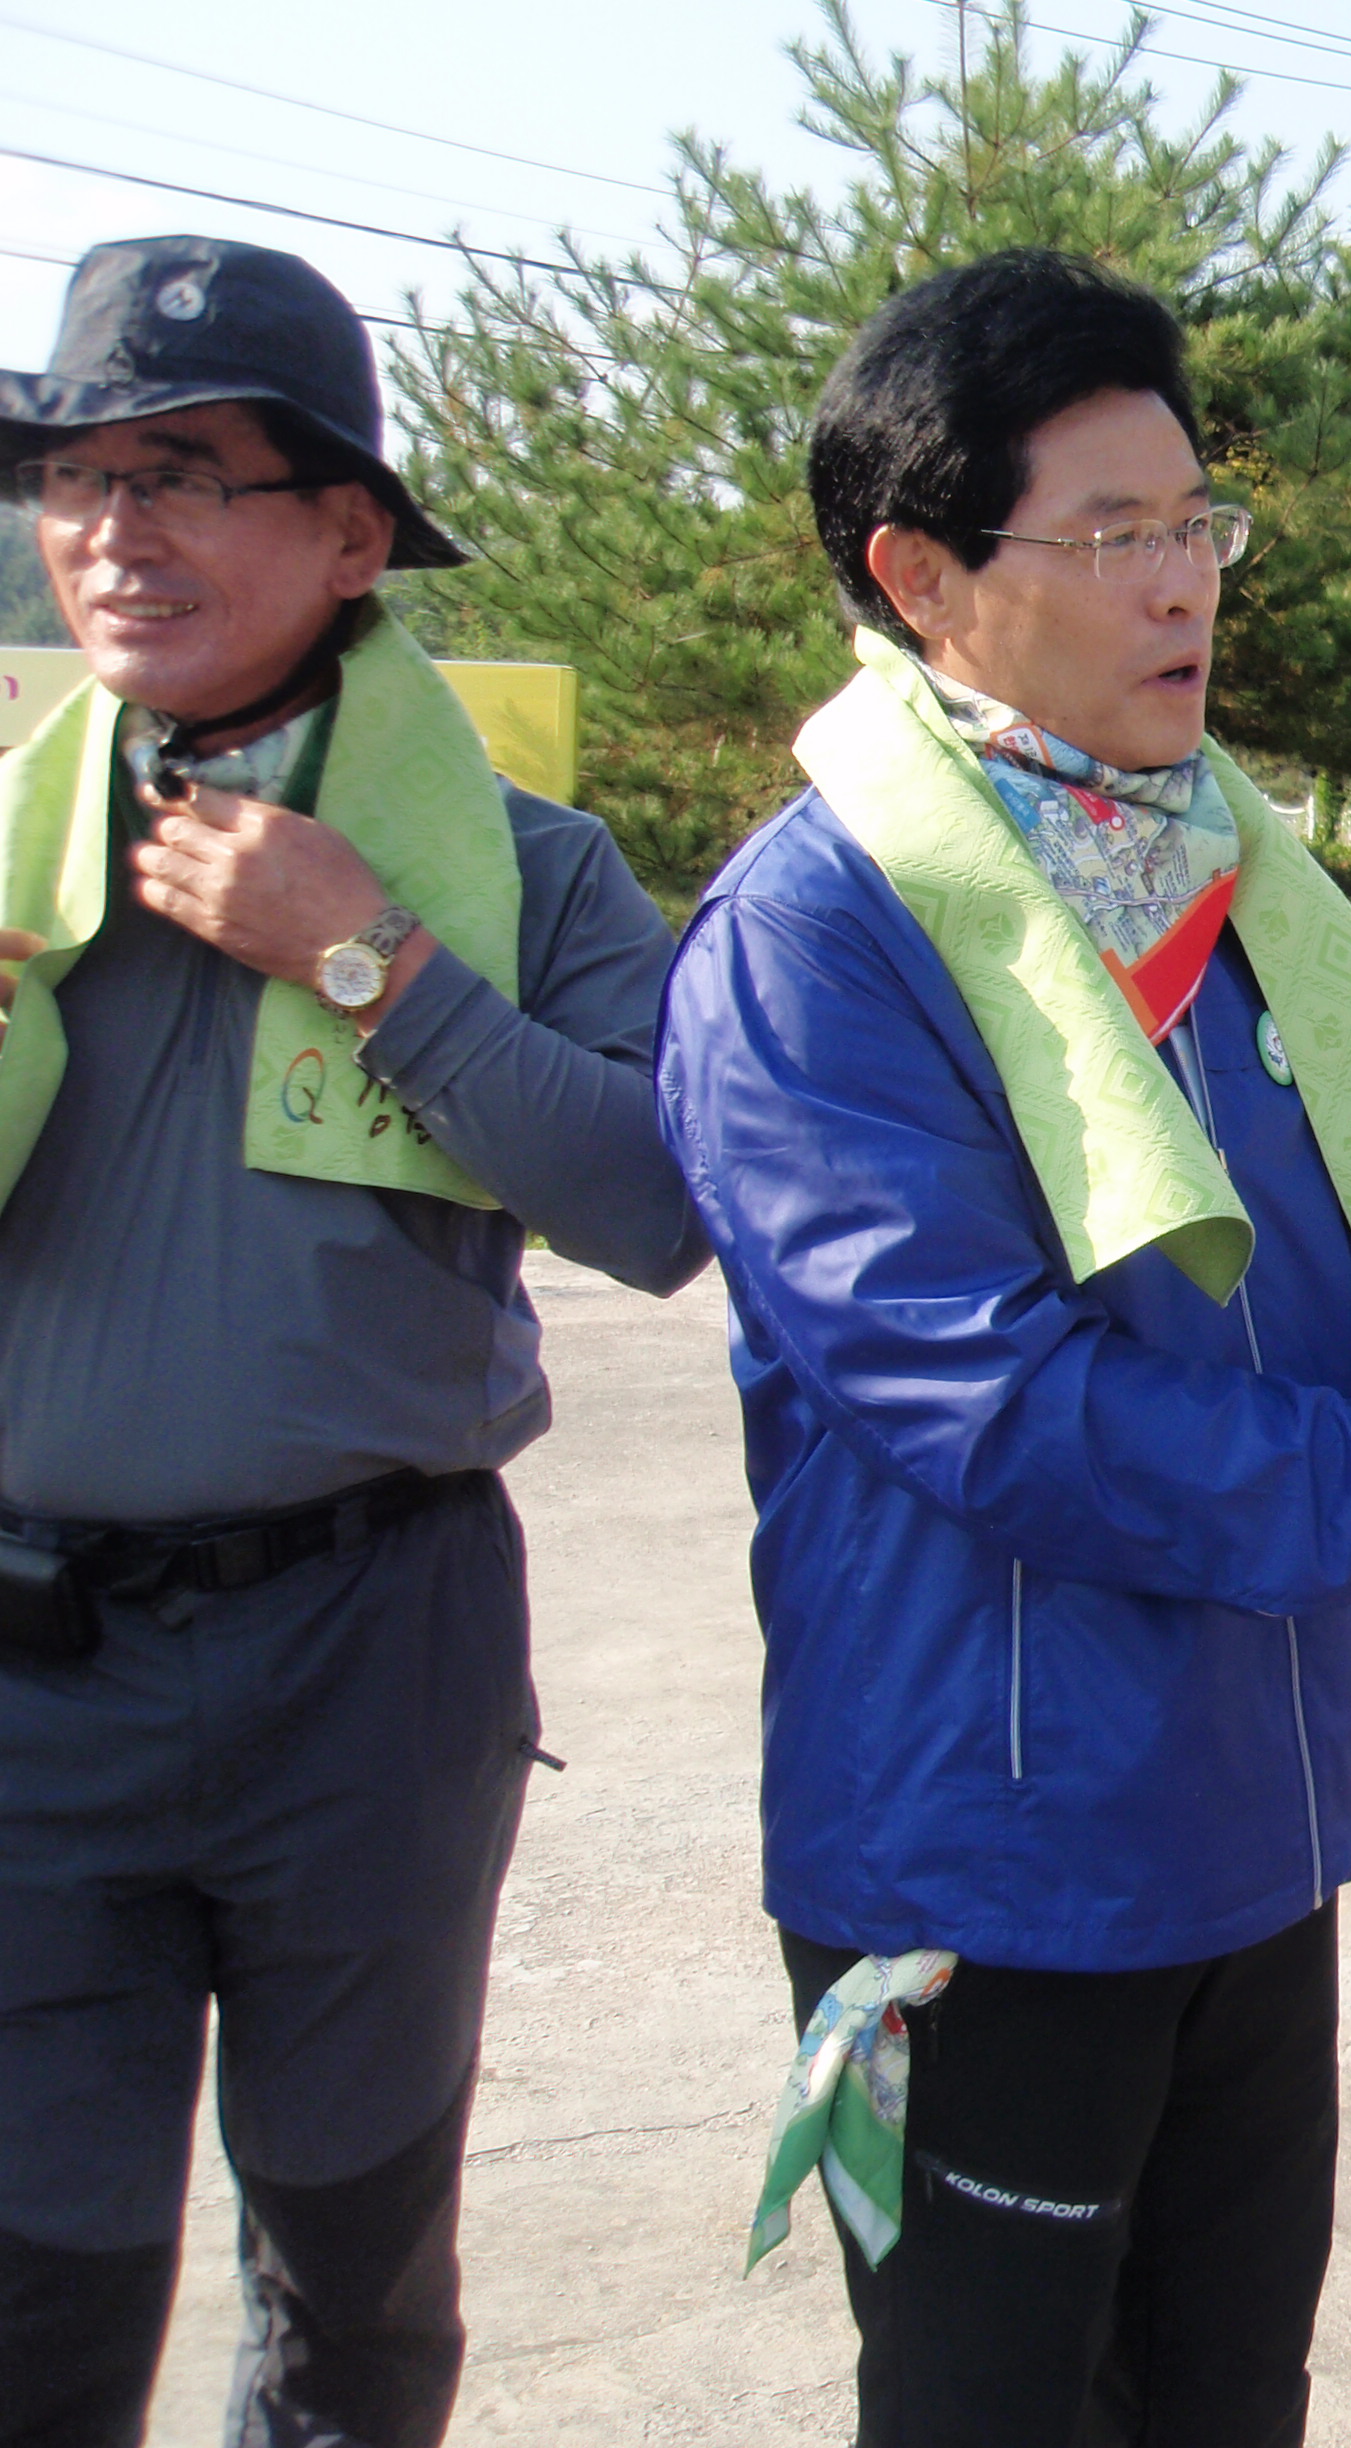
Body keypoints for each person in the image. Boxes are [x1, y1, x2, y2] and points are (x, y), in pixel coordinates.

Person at [653, 249, 1351, 2448]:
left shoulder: (1230, 881)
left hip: (1256, 1829)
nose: (1184, 588)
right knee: (996, 2413)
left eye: (1196, 526)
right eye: (1110, 536)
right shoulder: (816, 939)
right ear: (921, 578)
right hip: (993, 1862)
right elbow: (999, 1411)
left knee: (1231, 2396)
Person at [0, 237, 708, 2446]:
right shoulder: (14, 864)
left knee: (353, 2285)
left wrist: (372, 957)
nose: (118, 530)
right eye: (81, 477)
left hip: (368, 1657)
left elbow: (660, 1205)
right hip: (31, 1679)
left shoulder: (516, 873)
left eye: (189, 475)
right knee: (31, 2292)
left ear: (351, 538)